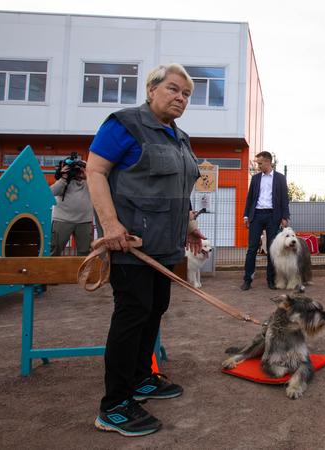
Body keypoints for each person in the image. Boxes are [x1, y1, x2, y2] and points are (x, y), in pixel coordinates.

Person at [85, 63, 203, 437]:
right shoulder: (124, 124)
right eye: (173, 89)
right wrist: (111, 225)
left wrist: (190, 225)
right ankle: (115, 406)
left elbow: (180, 189)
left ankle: (140, 378)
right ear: (151, 89)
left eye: (186, 94)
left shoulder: (180, 138)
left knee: (154, 310)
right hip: (131, 244)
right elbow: (95, 171)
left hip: (165, 247)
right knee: (132, 315)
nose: (180, 98)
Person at [241, 151, 290, 291]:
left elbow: (284, 199)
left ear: (268, 162)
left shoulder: (280, 178)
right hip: (256, 215)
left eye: (260, 163)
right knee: (251, 249)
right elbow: (250, 198)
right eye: (257, 163)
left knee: (272, 249)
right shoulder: (256, 178)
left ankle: (271, 280)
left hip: (273, 216)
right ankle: (247, 280)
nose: (258, 166)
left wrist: (285, 217)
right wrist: (246, 216)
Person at [49, 155, 93, 256]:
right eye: (75, 169)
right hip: (62, 220)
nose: (77, 172)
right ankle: (51, 271)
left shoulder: (89, 182)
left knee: (85, 252)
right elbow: (51, 192)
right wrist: (64, 177)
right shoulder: (63, 182)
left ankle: (83, 272)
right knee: (55, 250)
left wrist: (88, 174)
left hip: (84, 221)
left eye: (79, 169)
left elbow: (99, 189)